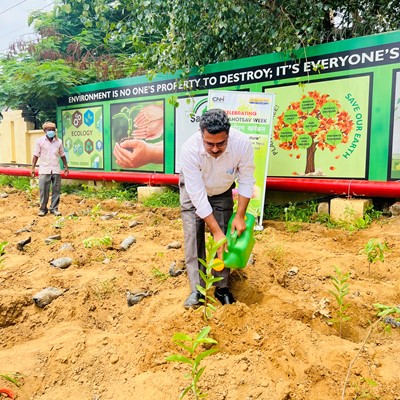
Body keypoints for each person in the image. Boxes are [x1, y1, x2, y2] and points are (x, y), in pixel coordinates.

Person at [179, 108, 255, 309]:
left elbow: (247, 179)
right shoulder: (189, 149)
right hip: (193, 191)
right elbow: (197, 196)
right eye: (209, 144)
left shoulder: (242, 144)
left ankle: (221, 287)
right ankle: (198, 290)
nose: (214, 149)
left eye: (220, 143)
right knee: (193, 235)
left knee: (227, 236)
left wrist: (240, 215)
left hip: (223, 189)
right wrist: (215, 231)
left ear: (228, 135)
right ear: (201, 133)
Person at [31, 121, 69, 217]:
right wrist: (32, 168)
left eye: (53, 130)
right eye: (49, 130)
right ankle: (43, 209)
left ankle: (54, 208)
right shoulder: (39, 141)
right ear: (45, 131)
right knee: (44, 190)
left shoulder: (58, 141)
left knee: (56, 190)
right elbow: (35, 155)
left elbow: (62, 155)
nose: (51, 131)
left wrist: (66, 167)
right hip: (44, 169)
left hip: (56, 169)